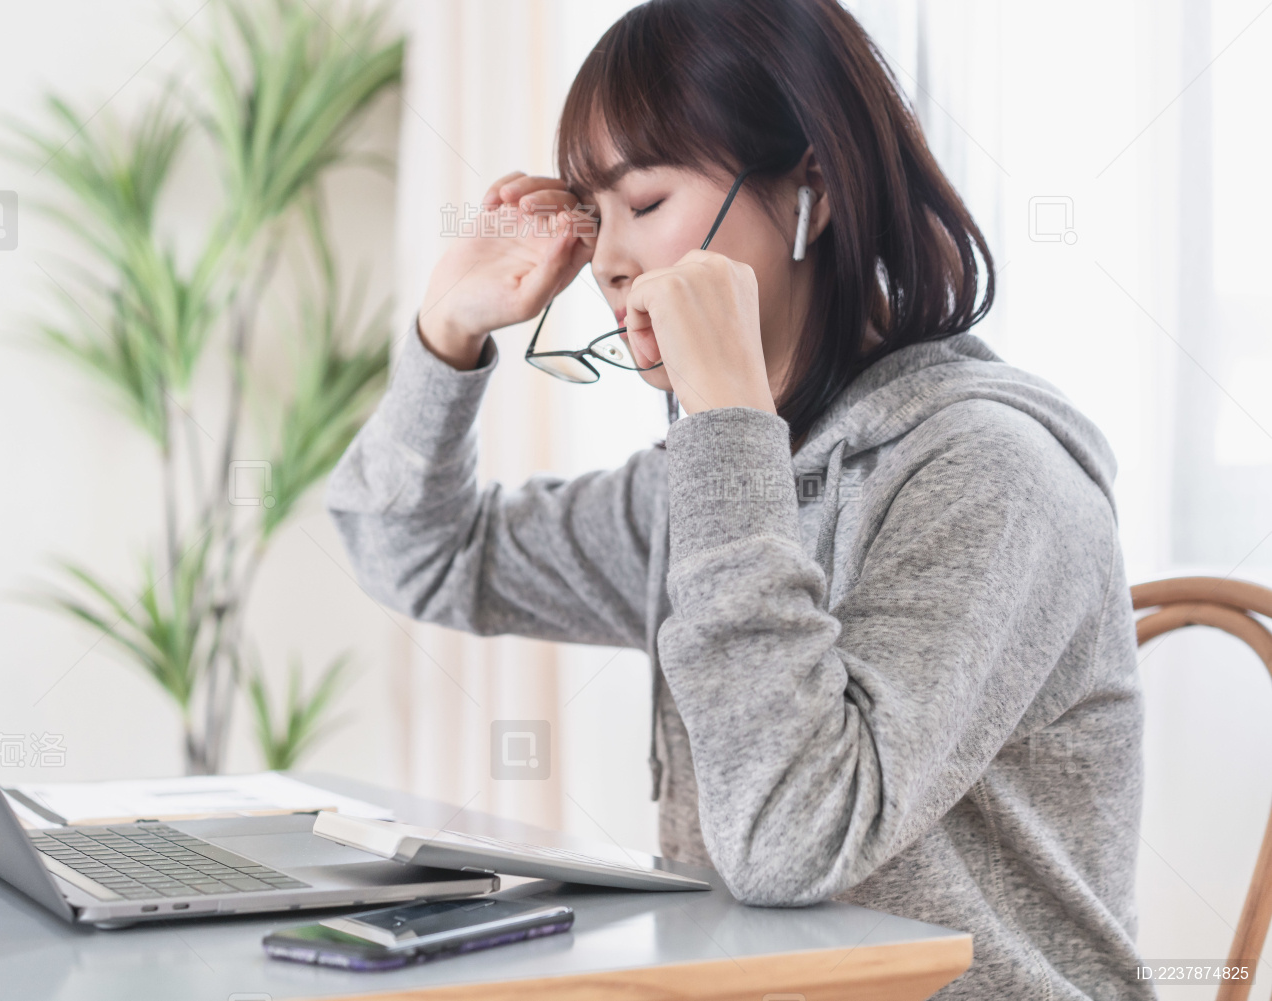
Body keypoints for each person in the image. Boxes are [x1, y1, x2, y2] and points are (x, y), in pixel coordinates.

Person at [327, 1, 1151, 997]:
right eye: (594, 216)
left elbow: (789, 841)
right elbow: (411, 549)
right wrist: (446, 328)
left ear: (814, 189)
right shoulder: (709, 487)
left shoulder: (993, 473)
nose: (609, 262)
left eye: (645, 202)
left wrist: (722, 428)